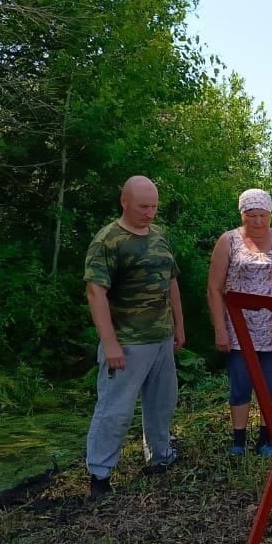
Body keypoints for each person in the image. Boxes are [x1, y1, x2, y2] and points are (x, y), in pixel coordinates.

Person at [84, 176, 185, 498]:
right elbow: (95, 292)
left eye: (154, 206)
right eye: (143, 206)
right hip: (127, 342)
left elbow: (172, 283)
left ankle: (160, 456)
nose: (150, 213)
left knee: (162, 404)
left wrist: (179, 327)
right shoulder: (108, 241)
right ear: (124, 201)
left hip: (161, 338)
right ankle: (99, 475)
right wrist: (111, 343)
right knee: (115, 410)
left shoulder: (159, 236)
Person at [206, 188, 272, 457]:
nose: (258, 222)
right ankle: (238, 439)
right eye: (252, 216)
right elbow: (214, 288)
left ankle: (266, 437)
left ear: (270, 215)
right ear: (243, 215)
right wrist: (220, 328)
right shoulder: (228, 241)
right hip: (239, 329)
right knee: (240, 384)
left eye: (263, 216)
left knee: (271, 384)